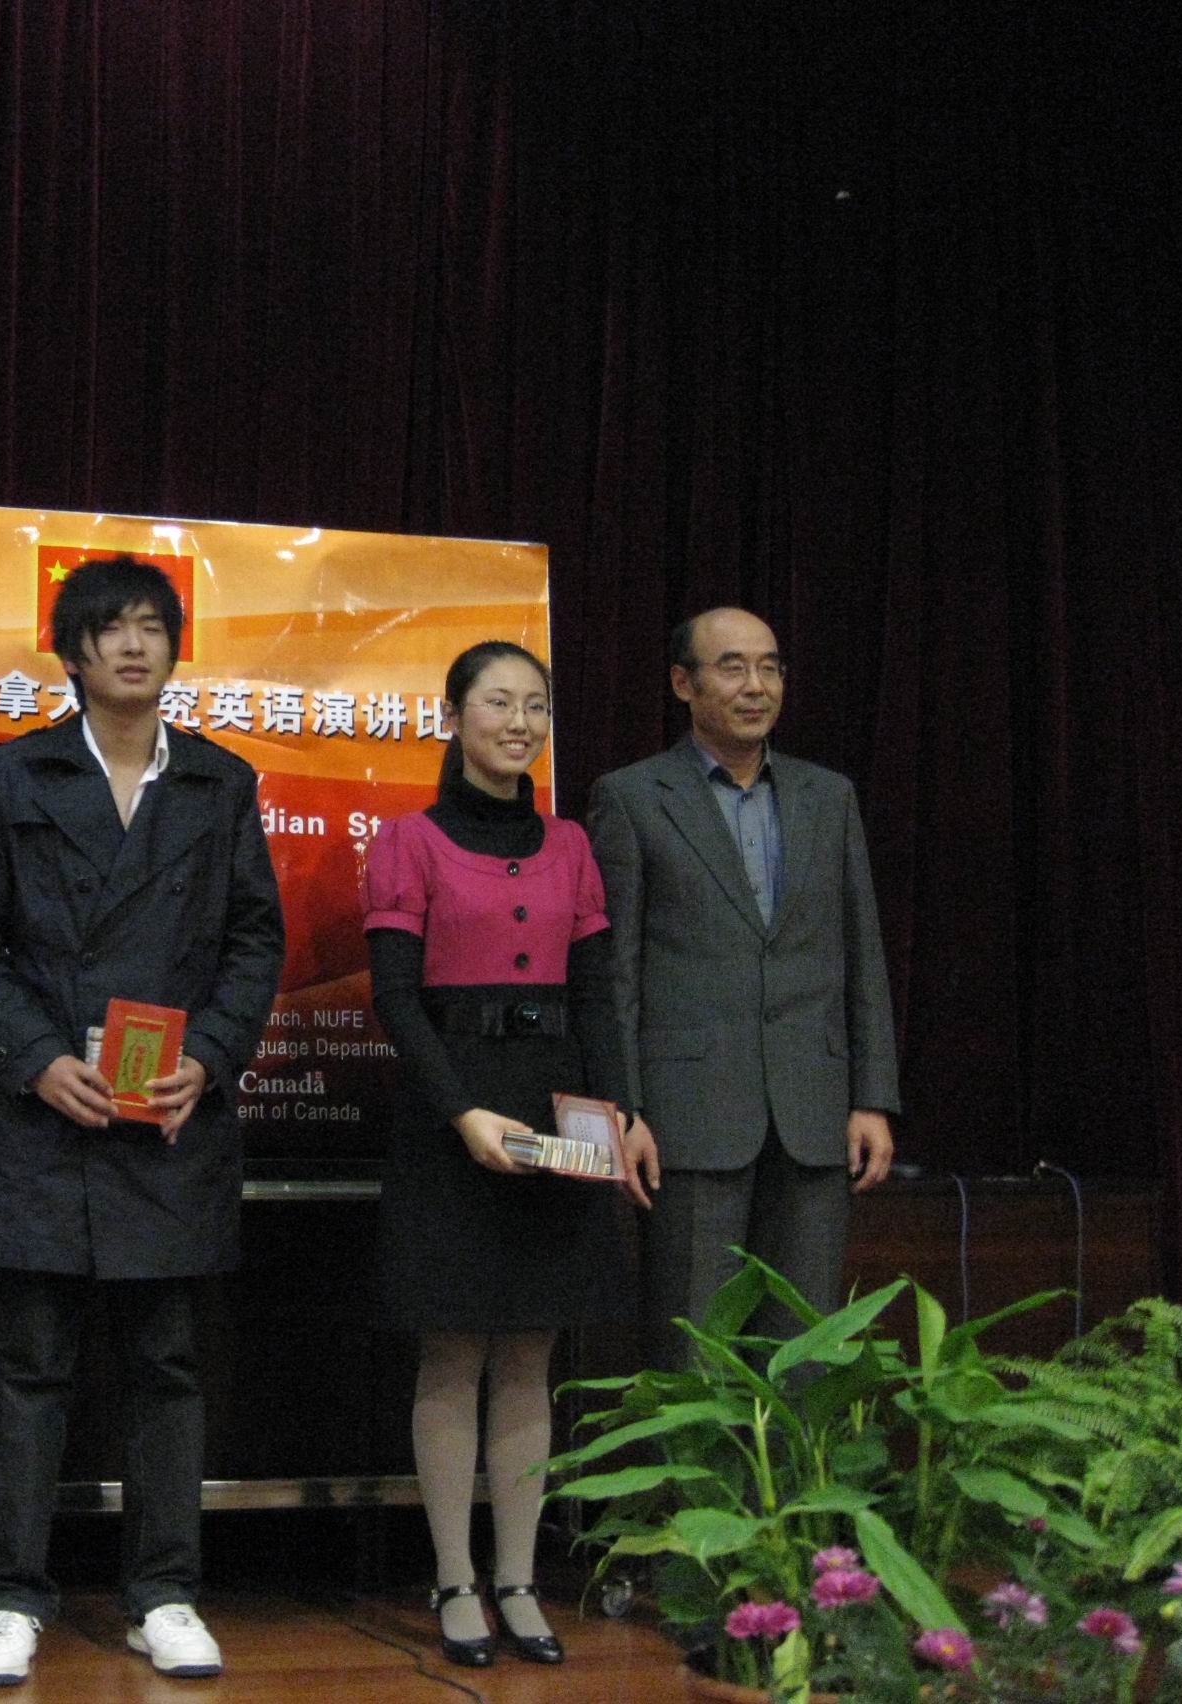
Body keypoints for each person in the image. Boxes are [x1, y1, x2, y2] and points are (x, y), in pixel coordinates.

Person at [0, 556, 284, 1686]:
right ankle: (11, 1597)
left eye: (151, 628)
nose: (134, 646)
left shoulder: (220, 782)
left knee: (167, 1366)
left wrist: (210, 1058)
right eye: (110, 629)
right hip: (45, 1119)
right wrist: (36, 1061)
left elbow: (254, 942)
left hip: (169, 1120)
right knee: (30, 1364)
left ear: (174, 648)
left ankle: (165, 1594)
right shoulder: (11, 774)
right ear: (72, 653)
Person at [360, 640, 658, 1669]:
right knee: (453, 1351)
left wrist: (621, 1111)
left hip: (555, 1101)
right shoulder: (408, 841)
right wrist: (462, 1114)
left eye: (535, 705)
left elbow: (598, 994)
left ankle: (520, 1579)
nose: (519, 723)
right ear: (453, 717)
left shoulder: (571, 844)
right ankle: (454, 1579)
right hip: (452, 1110)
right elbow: (396, 1000)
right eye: (497, 702)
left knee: (533, 1350)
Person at [586, 606, 899, 1370]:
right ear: (682, 683)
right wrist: (623, 1109)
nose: (756, 685)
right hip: (688, 1117)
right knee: (694, 1350)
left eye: (770, 667)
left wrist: (872, 1097)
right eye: (732, 667)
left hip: (814, 1112)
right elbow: (614, 972)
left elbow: (862, 953)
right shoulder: (633, 797)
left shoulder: (829, 797)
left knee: (807, 1350)